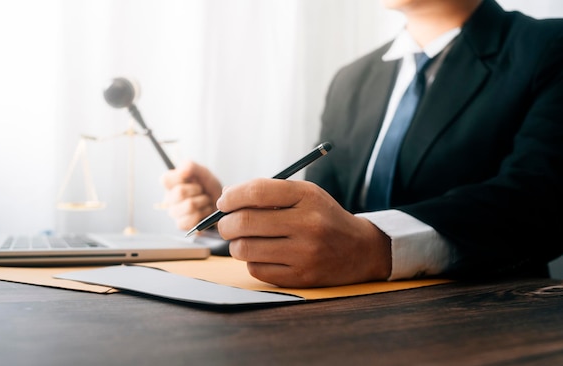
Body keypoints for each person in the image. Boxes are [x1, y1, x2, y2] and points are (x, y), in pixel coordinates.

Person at [161, 0, 563, 288]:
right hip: (343, 318)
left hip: (490, 318)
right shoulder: (352, 80)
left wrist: (374, 248)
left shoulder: (547, 46)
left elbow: (540, 198)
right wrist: (237, 220)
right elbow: (326, 214)